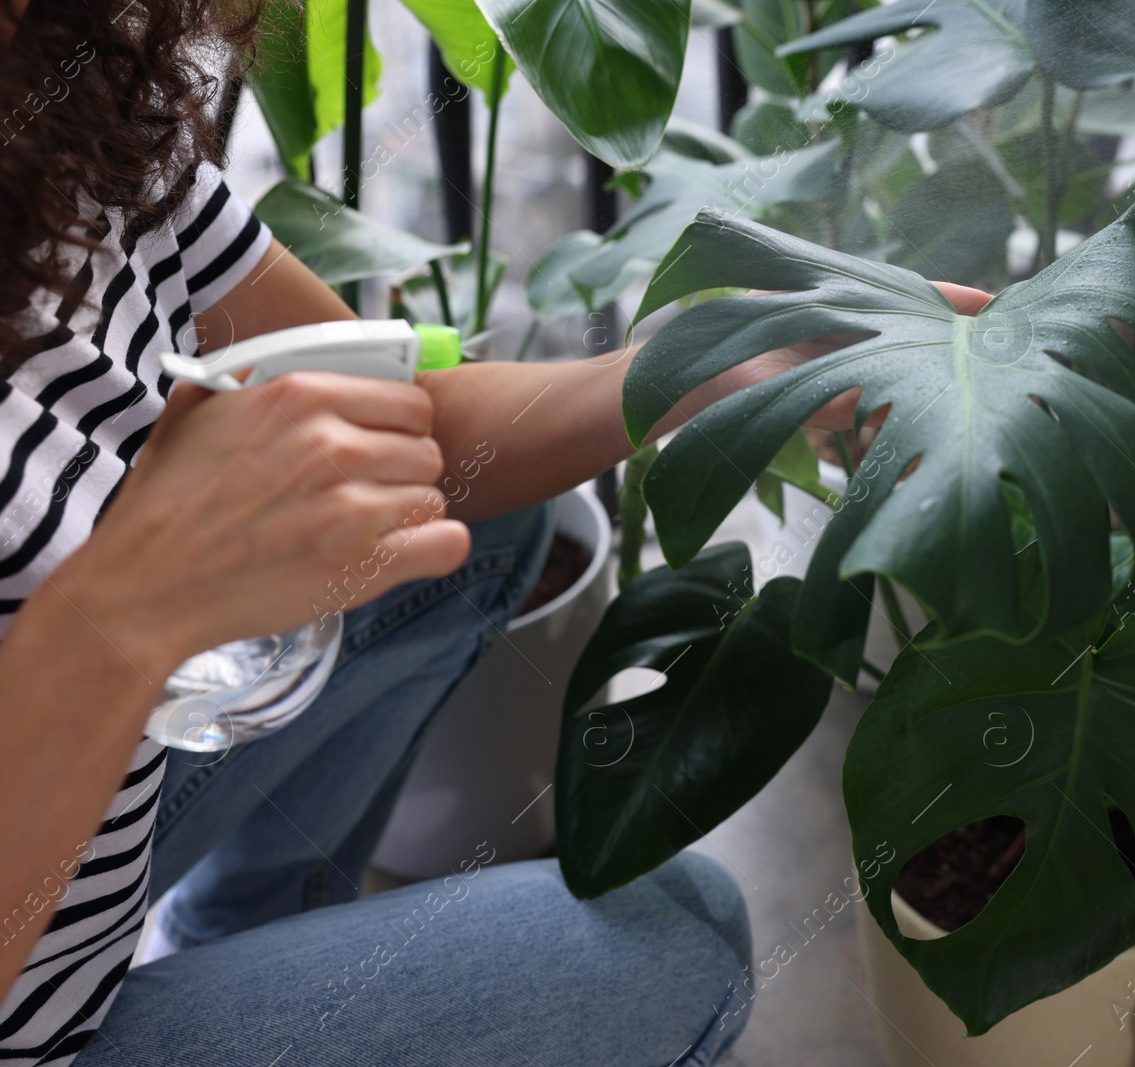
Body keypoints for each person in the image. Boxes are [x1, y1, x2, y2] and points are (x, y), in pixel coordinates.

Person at [0, 2, 991, 1064]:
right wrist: (117, 615)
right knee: (679, 943)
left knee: (478, 511)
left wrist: (707, 362)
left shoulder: (65, 95)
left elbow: (399, 416)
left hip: (96, 817)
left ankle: (246, 929)